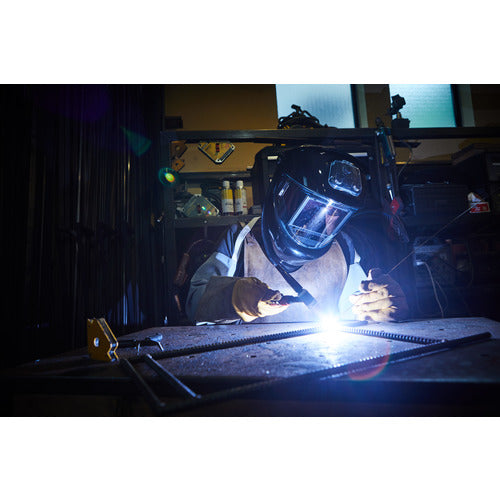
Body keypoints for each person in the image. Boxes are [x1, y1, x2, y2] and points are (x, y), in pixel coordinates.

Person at [186, 146, 408, 325]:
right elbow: (194, 303)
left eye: (336, 213)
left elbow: (357, 310)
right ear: (283, 196)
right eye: (314, 208)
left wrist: (380, 308)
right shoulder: (242, 238)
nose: (324, 221)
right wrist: (234, 297)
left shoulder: (344, 245)